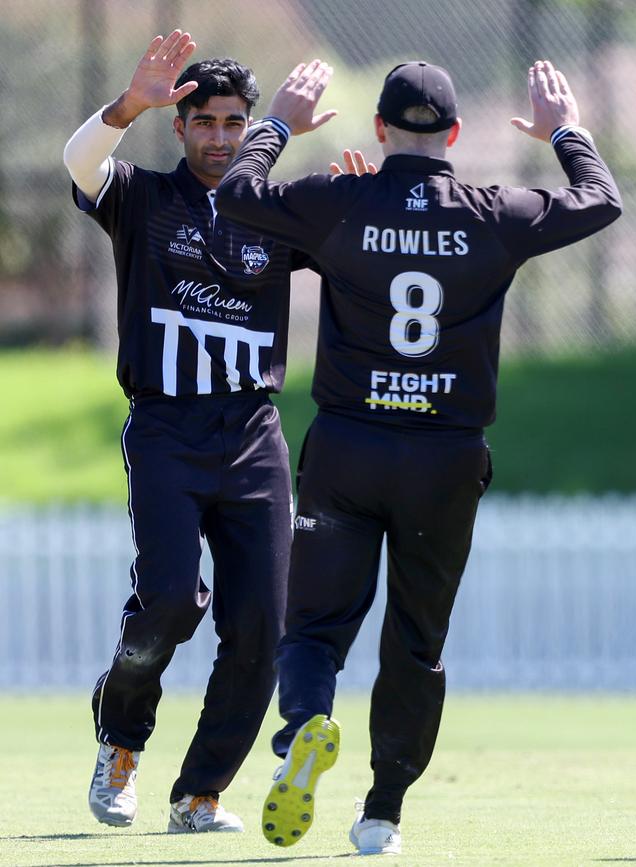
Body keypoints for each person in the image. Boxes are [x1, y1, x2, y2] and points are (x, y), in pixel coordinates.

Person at [216, 58, 622, 854]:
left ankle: (306, 722)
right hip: (444, 457)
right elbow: (601, 200)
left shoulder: (342, 202)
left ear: (378, 130)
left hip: (349, 446)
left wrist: (276, 128)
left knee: (315, 625)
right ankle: (381, 813)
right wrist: (564, 129)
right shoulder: (492, 211)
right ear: (457, 135)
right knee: (416, 638)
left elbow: (235, 195)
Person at [63, 30, 335, 833]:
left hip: (253, 434)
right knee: (173, 599)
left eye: (234, 123)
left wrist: (366, 196)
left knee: (261, 624)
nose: (219, 136)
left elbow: (362, 251)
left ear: (254, 128)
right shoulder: (143, 198)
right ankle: (121, 740)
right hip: (167, 430)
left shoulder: (279, 215)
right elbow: (81, 163)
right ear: (180, 128)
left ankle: (200, 792)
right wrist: (125, 106)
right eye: (205, 122)